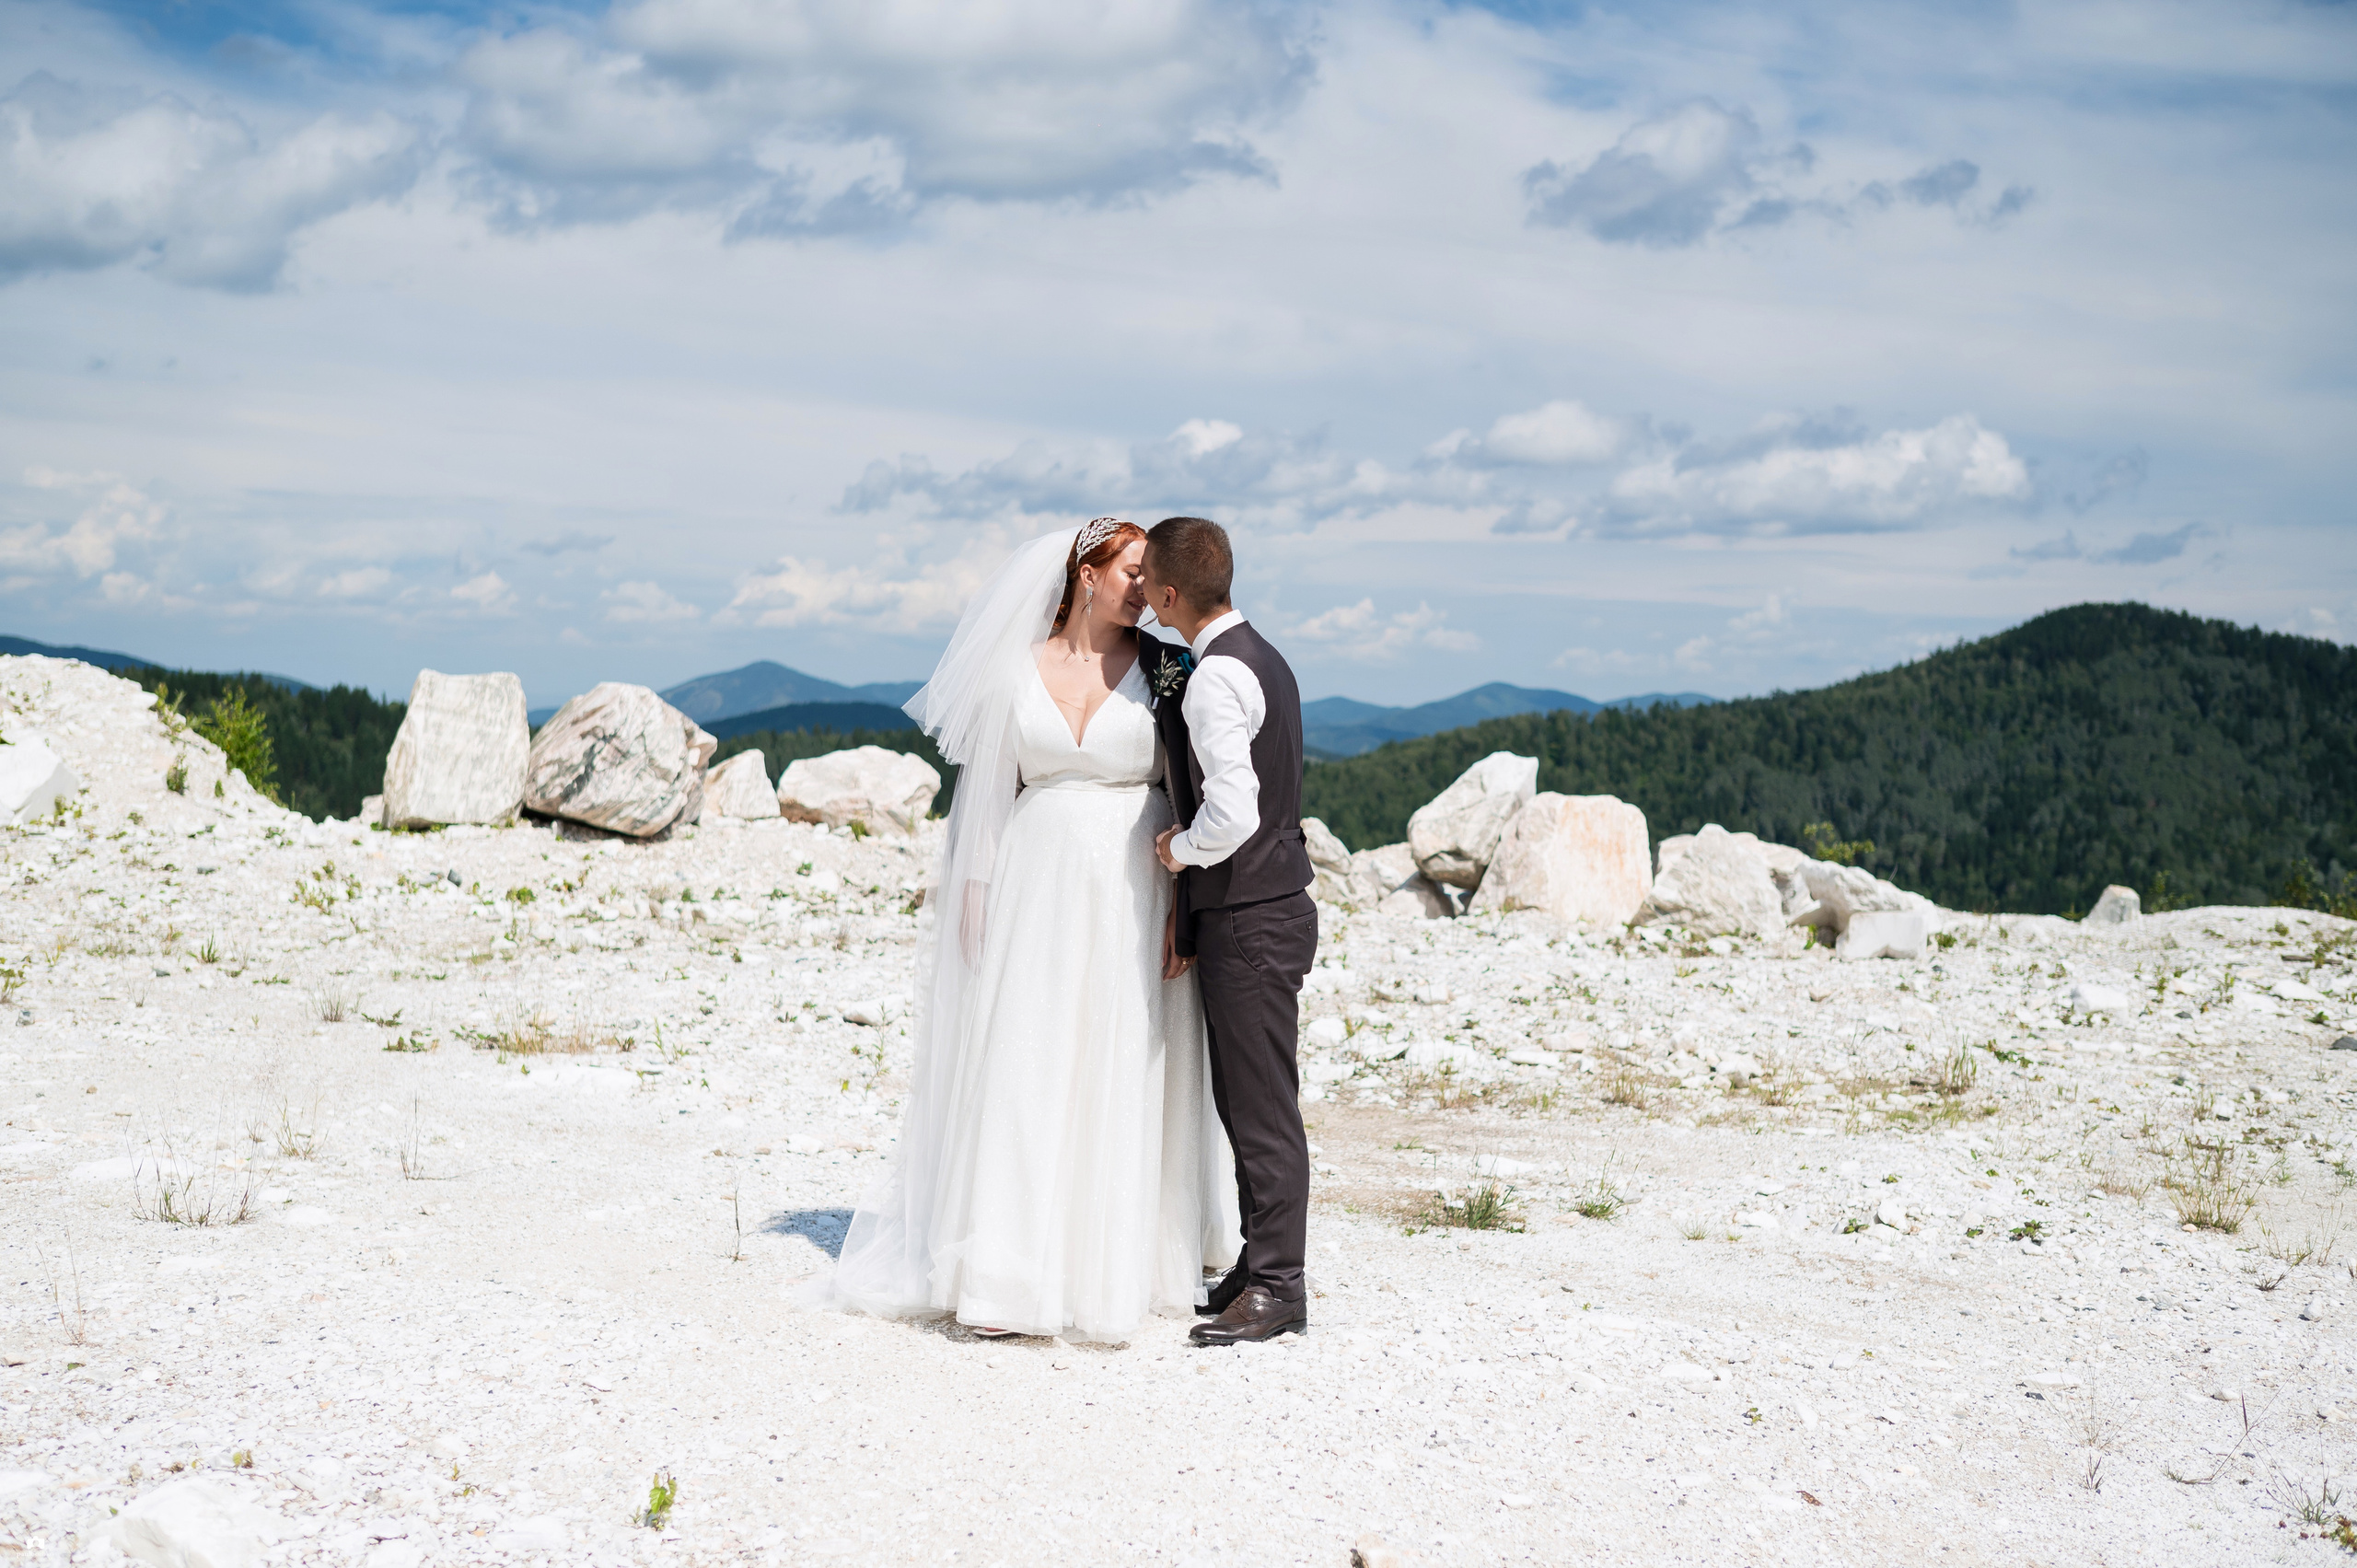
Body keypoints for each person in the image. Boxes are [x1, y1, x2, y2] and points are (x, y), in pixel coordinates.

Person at [814, 519, 1239, 1342]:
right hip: (1035, 886)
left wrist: (1190, 912)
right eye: (1133, 572)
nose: (1148, 590)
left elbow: (1192, 791)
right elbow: (989, 792)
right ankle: (1010, 1265)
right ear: (1086, 573)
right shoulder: (1015, 670)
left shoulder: (1167, 670)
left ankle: (1123, 1257)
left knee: (1123, 1055)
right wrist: (975, 885)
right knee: (1029, 1057)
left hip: (1136, 887)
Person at [1142, 517, 1320, 1347]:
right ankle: (1260, 1262)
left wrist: (1179, 849)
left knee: (1259, 1106)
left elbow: (1235, 810)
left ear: (1171, 594)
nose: (1139, 591)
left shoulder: (1214, 679)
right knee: (1244, 1095)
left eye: (1146, 580)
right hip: (1275, 901)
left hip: (1248, 912)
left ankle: (1280, 1284)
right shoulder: (1263, 656)